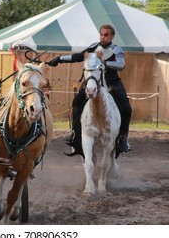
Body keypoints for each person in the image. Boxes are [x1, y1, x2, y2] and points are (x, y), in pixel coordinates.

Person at [47, 24, 132, 157]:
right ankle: (75, 133)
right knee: (76, 102)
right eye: (102, 34)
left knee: (127, 109)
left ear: (112, 36)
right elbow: (78, 57)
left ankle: (122, 138)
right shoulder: (93, 47)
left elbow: (121, 65)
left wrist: (103, 62)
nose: (103, 37)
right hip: (94, 82)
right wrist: (60, 59)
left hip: (111, 83)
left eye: (106, 35)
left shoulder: (117, 50)